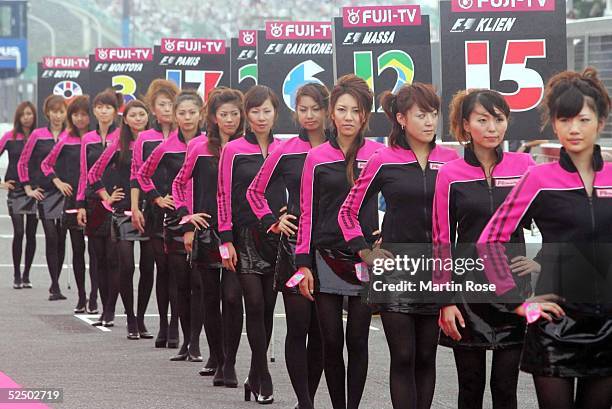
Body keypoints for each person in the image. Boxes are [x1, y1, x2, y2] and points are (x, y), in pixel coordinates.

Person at [478, 67, 612, 409]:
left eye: (583, 119)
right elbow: (490, 240)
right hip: (553, 324)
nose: (574, 129)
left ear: (601, 121)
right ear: (554, 124)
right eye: (565, 120)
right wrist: (518, 302)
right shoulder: (537, 179)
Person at [339, 83, 459, 409]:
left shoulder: (450, 161)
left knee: (426, 355)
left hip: (436, 268)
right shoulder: (383, 160)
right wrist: (365, 251)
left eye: (434, 114)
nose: (430, 121)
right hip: (394, 268)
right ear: (402, 118)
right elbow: (347, 212)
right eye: (422, 115)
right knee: (403, 355)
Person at [432, 89, 538, 409]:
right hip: (467, 293)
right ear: (466, 125)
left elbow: (553, 218)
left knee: (505, 388)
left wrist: (542, 263)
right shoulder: (450, 174)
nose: (492, 128)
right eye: (482, 120)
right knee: (471, 387)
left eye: (499, 119)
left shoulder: (525, 166)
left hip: (513, 292)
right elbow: (441, 238)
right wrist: (445, 300)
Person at [294, 74, 384, 409]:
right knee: (330, 341)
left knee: (358, 340)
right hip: (324, 258)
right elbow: (306, 213)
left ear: (365, 116)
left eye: (355, 111)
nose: (348, 117)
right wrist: (303, 263)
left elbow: (401, 198)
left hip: (364, 260)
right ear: (332, 113)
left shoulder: (379, 154)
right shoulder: (316, 157)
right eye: (342, 109)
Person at [246, 83, 329, 409]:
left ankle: (305, 398)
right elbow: (255, 191)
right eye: (303, 109)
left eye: (315, 108)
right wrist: (273, 220)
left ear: (326, 110)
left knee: (323, 334)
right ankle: (305, 402)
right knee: (298, 326)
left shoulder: (341, 149)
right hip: (294, 248)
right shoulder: (287, 149)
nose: (309, 115)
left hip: (332, 251)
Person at [217, 85, 286, 404]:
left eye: (267, 111)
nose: (261, 117)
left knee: (269, 308)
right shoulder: (232, 150)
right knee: (253, 305)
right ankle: (264, 374)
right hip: (243, 238)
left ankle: (254, 375)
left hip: (276, 236)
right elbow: (223, 196)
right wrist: (225, 241)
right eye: (255, 111)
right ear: (247, 114)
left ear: (276, 113)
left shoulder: (283, 149)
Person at [172, 87, 245, 387]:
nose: (229, 119)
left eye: (234, 114)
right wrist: (188, 219)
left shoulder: (247, 146)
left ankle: (230, 361)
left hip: (238, 234)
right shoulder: (199, 147)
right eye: (223, 114)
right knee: (210, 296)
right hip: (206, 232)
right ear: (213, 118)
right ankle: (216, 355)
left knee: (231, 296)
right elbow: (179, 185)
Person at [138, 90, 203, 360]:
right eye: (182, 113)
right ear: (174, 115)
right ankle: (185, 341)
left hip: (203, 221)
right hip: (175, 222)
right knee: (181, 284)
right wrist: (156, 198)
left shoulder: (209, 143)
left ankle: (197, 343)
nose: (187, 118)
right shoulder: (165, 146)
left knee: (201, 285)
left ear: (201, 113)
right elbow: (142, 175)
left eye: (192, 112)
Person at [89, 100, 155, 340]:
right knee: (126, 266)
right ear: (125, 119)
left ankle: (140, 318)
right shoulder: (117, 144)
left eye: (142, 114)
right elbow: (93, 174)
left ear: (148, 117)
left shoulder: (154, 142)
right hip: (123, 213)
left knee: (148, 268)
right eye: (133, 115)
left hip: (150, 212)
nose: (138, 118)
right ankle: (129, 319)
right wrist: (107, 197)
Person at [133, 79, 180, 348]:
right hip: (153, 208)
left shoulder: (184, 138)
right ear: (153, 108)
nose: (167, 109)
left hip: (179, 209)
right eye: (162, 104)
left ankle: (176, 325)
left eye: (171, 104)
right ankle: (163, 323)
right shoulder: (144, 138)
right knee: (161, 268)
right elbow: (137, 175)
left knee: (176, 270)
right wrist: (138, 206)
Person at [76, 88, 122, 325]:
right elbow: (84, 174)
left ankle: (112, 309)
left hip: (116, 200)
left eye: (108, 107)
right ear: (94, 110)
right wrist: (81, 204)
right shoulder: (88, 139)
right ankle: (103, 307)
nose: (103, 111)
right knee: (98, 259)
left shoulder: (122, 136)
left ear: (115, 111)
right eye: (100, 107)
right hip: (94, 204)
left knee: (114, 259)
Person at [41, 95, 91, 313]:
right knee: (78, 250)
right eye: (76, 114)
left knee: (98, 253)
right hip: (71, 201)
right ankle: (82, 296)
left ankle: (96, 295)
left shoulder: (96, 139)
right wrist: (58, 181)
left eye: (84, 114)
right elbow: (46, 164)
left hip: (96, 201)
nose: (80, 118)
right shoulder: (65, 139)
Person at [18, 95, 67, 301]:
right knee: (51, 237)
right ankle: (55, 285)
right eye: (54, 111)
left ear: (66, 113)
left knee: (62, 238)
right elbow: (23, 162)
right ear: (47, 113)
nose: (57, 115)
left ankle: (55, 282)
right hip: (44, 193)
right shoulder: (38, 135)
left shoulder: (71, 135)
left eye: (61, 111)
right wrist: (28, 188)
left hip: (67, 193)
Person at [0, 101, 38, 289]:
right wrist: (1, 183)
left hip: (34, 189)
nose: (27, 117)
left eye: (30, 114)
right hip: (15, 190)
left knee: (31, 234)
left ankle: (26, 275)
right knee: (19, 232)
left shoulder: (38, 137)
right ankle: (16, 274)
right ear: (18, 116)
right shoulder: (9, 136)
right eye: (23, 114)